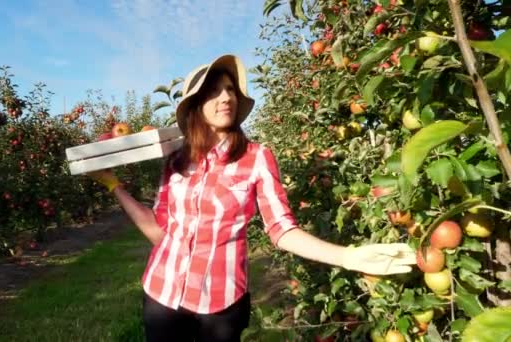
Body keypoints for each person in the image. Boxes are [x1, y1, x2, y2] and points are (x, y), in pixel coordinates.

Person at [89, 54, 416, 342]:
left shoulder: (257, 157)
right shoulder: (176, 160)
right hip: (162, 293)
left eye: (230, 89)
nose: (226, 97)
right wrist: (114, 186)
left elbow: (282, 230)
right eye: (214, 91)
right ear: (197, 106)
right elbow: (160, 232)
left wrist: (347, 257)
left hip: (220, 302)